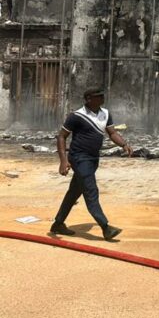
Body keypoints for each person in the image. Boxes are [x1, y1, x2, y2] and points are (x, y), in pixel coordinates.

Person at [50, 88, 133, 241]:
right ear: (88, 99)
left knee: (74, 191)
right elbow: (61, 136)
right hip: (79, 158)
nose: (102, 98)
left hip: (93, 159)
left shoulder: (105, 114)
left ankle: (58, 224)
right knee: (91, 190)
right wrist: (63, 160)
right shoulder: (76, 116)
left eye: (102, 96)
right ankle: (105, 227)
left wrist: (124, 144)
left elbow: (112, 133)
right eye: (98, 96)